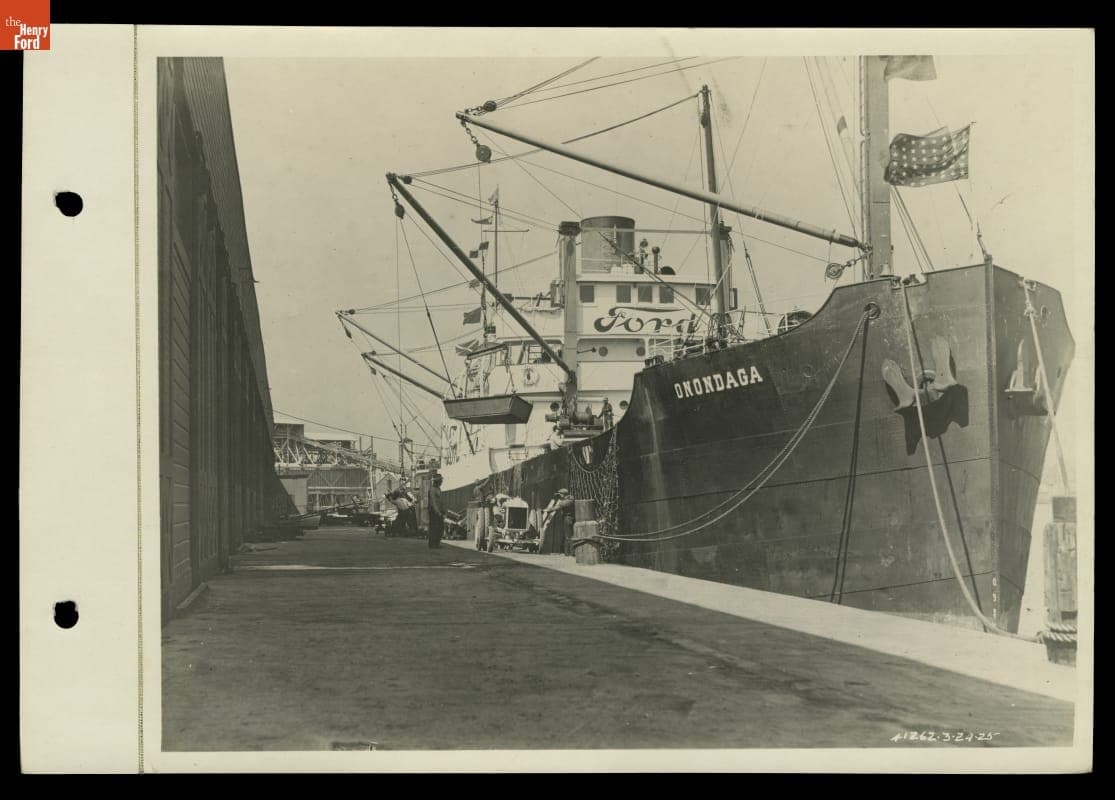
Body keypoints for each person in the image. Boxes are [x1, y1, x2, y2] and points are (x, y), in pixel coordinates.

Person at [427, 475, 445, 549]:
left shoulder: (438, 489)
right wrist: (438, 512)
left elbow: (440, 501)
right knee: (434, 527)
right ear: (438, 481)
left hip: (439, 511)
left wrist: (443, 510)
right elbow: (433, 502)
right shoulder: (433, 490)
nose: (442, 482)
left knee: (440, 527)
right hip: (434, 511)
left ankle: (436, 543)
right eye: (441, 480)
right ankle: (432, 544)